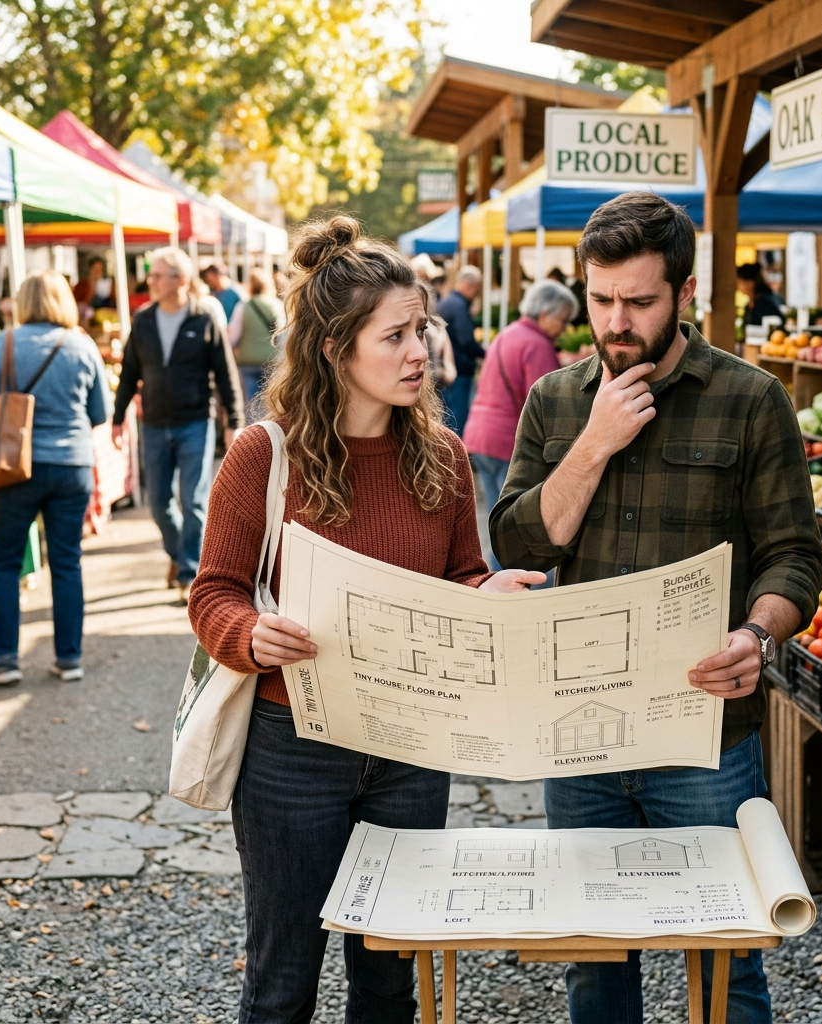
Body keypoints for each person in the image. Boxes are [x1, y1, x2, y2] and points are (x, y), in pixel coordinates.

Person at [187, 215, 544, 1023]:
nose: (421, 350)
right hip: (291, 755)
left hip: (414, 750)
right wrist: (248, 635)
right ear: (334, 349)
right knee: (283, 983)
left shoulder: (446, 457)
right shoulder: (264, 454)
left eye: (420, 329)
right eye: (396, 337)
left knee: (390, 981)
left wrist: (483, 598)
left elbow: (461, 575)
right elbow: (214, 592)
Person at [490, 192, 822, 1024]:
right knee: (594, 963)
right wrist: (596, 441)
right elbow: (521, 547)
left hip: (708, 734)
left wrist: (758, 632)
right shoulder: (557, 402)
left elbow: (794, 555)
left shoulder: (752, 399)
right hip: (581, 730)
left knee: (729, 956)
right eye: (601, 299)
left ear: (684, 295)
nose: (616, 321)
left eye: (639, 301)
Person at [0, 270, 112, 685]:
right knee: (66, 562)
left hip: (14, 466)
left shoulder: (3, 343)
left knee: (3, 562)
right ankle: (69, 658)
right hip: (72, 465)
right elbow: (100, 414)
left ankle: (5, 658)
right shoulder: (82, 344)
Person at [111, 247, 244, 604]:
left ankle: (188, 571)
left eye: (157, 276)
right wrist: (117, 417)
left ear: (180, 280)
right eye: (151, 276)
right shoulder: (143, 320)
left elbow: (225, 373)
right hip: (153, 423)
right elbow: (129, 373)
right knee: (159, 503)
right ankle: (177, 554)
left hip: (194, 422)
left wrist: (234, 420)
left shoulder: (204, 319)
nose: (150, 282)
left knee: (194, 500)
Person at [463, 279, 577, 569]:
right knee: (516, 530)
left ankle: (496, 579)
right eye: (563, 320)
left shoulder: (510, 333)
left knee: (495, 519)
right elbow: (549, 405)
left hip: (479, 436)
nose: (565, 328)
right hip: (505, 440)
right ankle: (515, 591)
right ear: (544, 314)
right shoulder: (537, 344)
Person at [229, 270, 285, 423]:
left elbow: (233, 335)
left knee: (250, 402)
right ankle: (269, 433)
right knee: (270, 402)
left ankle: (252, 435)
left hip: (247, 361)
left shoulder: (243, 306)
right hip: (271, 359)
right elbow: (283, 336)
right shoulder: (277, 305)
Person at [436, 265, 484, 435]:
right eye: (476, 288)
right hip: (459, 371)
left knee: (446, 417)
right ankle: (456, 457)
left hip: (445, 368)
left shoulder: (447, 302)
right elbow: (466, 341)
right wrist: (485, 353)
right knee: (457, 420)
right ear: (468, 285)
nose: (476, 293)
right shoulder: (459, 306)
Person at [736, 263, 785, 327]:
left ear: (750, 283)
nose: (737, 286)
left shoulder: (765, 302)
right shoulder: (750, 304)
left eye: (739, 282)